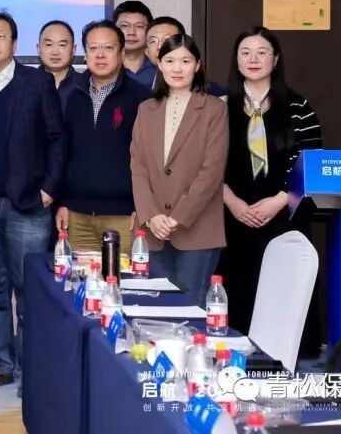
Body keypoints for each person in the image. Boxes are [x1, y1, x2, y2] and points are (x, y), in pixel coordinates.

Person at [0, 12, 66, 397]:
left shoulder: (37, 82)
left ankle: (33, 368)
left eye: (1, 36)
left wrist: (49, 189)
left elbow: (57, 139)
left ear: (14, 42)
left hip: (29, 204)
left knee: (30, 292)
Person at [218, 27, 323, 341]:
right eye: (245, 52)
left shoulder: (298, 107)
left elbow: (310, 161)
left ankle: (286, 357)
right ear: (236, 60)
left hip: (284, 214)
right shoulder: (219, 107)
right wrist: (232, 202)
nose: (253, 59)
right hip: (233, 215)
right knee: (238, 290)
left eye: (262, 52)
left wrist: (281, 199)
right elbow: (207, 165)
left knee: (284, 290)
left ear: (275, 60)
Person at [131, 34, 228, 305]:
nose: (177, 68)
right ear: (159, 64)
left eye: (185, 61)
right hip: (152, 231)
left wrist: (177, 217)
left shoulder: (214, 109)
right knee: (151, 307)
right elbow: (138, 167)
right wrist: (152, 215)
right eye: (170, 60)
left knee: (190, 308)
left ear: (196, 65)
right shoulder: (146, 109)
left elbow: (211, 172)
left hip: (197, 229)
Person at [55, 20, 150, 251]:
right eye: (93, 48)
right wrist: (64, 202)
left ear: (121, 53)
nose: (100, 55)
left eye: (108, 48)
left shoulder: (141, 98)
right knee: (77, 275)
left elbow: (150, 159)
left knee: (123, 274)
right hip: (77, 216)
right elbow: (64, 153)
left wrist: (143, 207)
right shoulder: (73, 96)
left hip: (124, 216)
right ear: (85, 53)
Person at [36, 19, 81, 111]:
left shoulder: (85, 85)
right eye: (49, 44)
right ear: (38, 49)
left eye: (62, 45)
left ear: (73, 49)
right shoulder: (24, 85)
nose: (55, 52)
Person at [113, 0, 157, 89]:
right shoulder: (104, 68)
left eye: (139, 26)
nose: (131, 32)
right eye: (124, 26)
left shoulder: (160, 67)